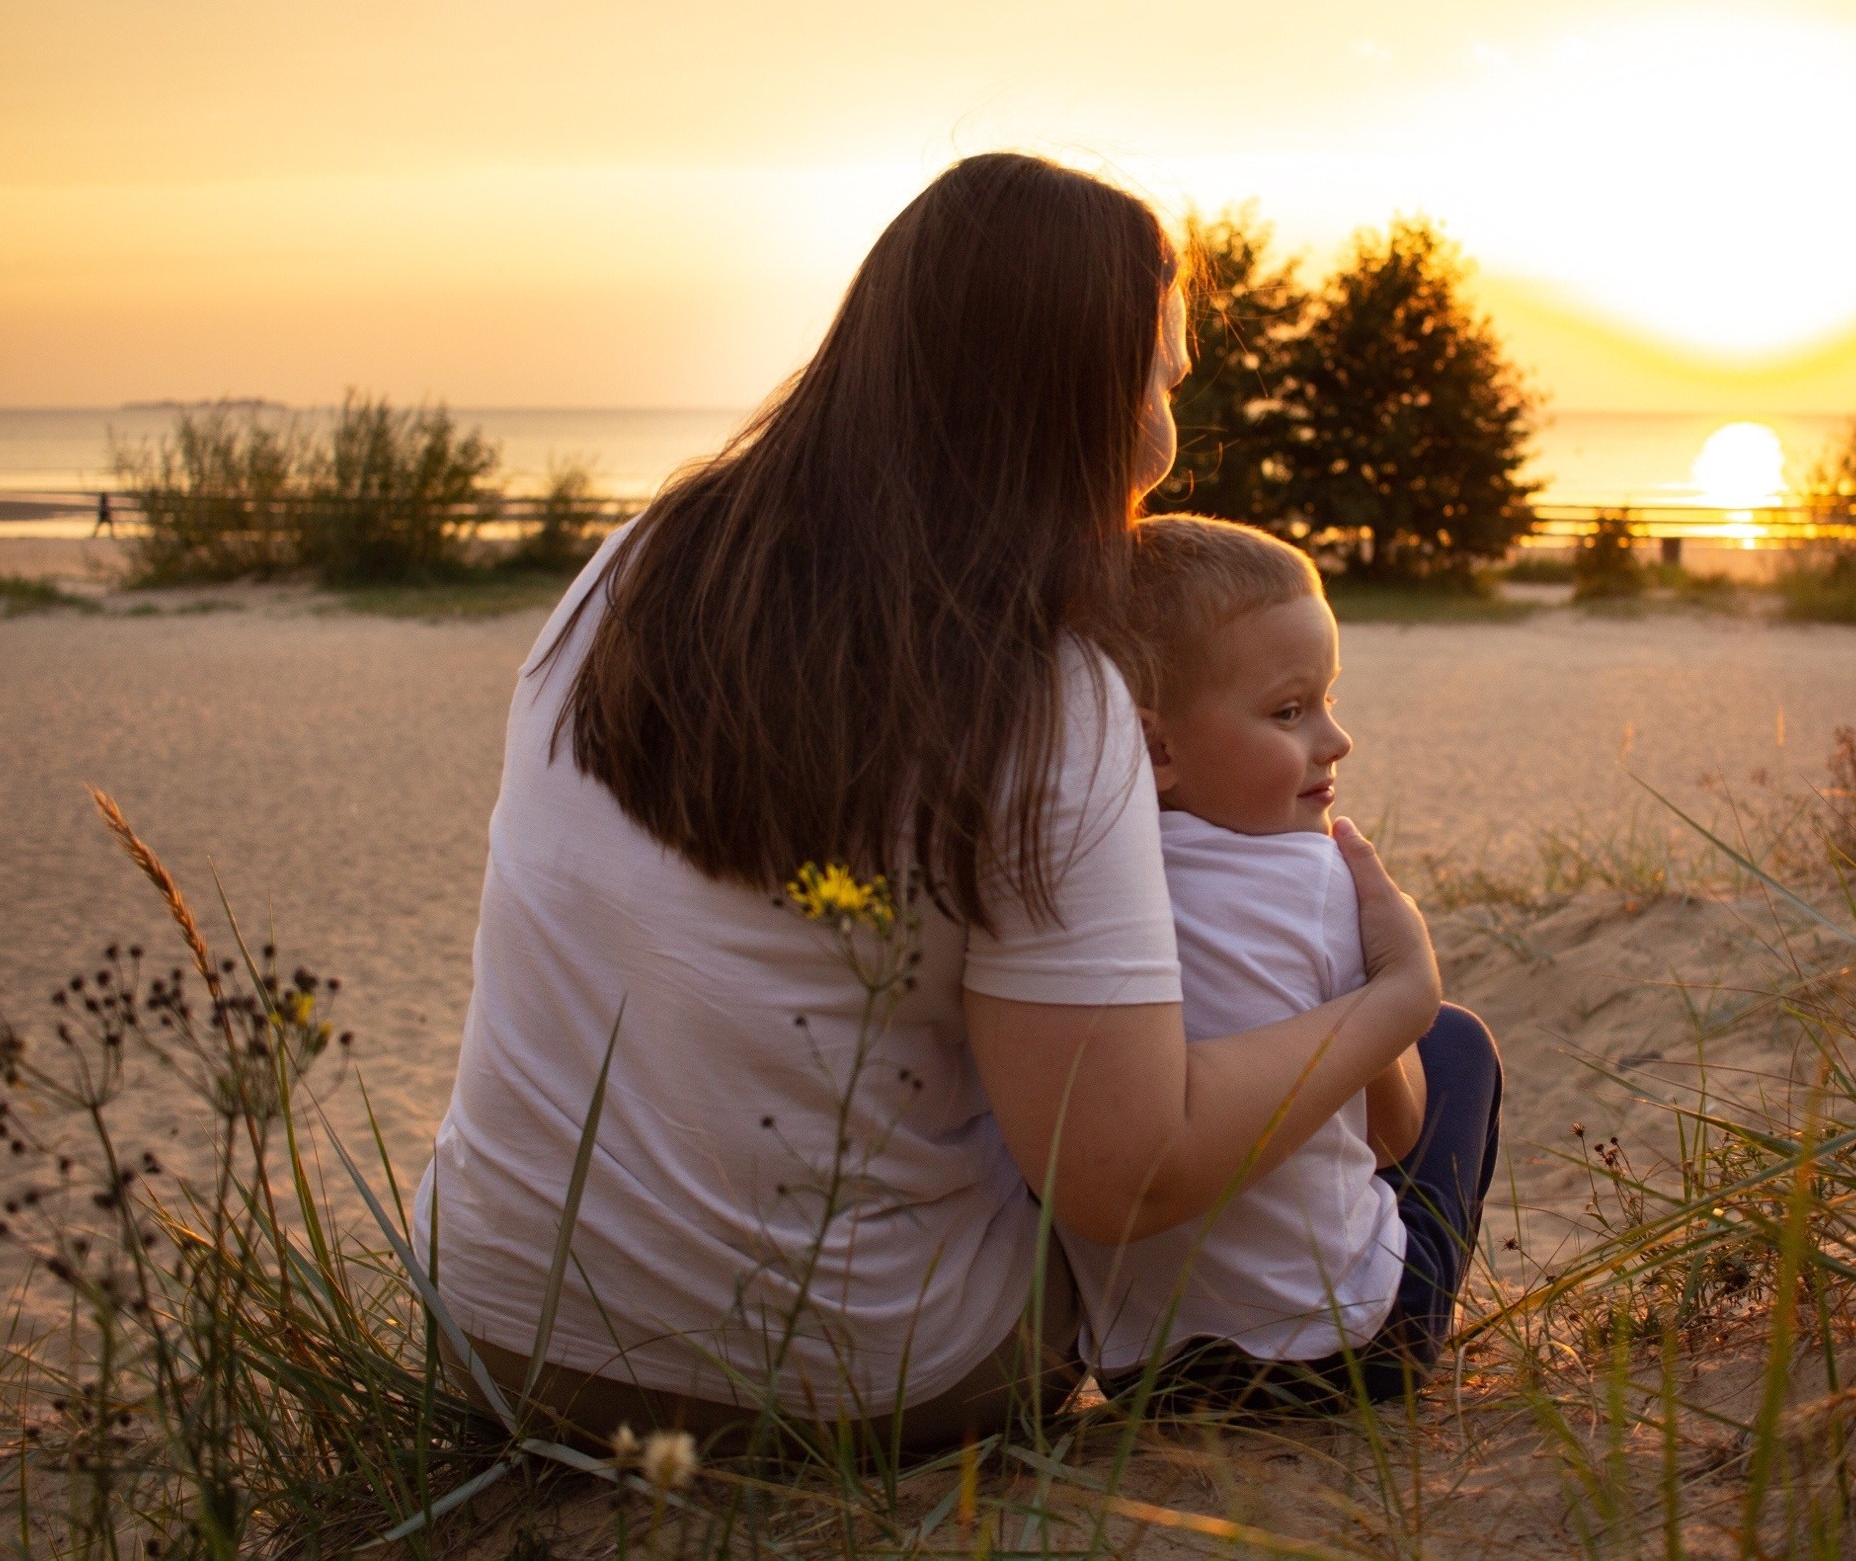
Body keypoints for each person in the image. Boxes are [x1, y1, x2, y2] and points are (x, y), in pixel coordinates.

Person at [413, 154, 1449, 1460]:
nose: (1170, 439)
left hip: (499, 1333)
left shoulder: (645, 562)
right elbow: (1123, 1176)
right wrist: (1388, 1005)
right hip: (851, 1379)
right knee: (1442, 1066)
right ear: (1082, 400)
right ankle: (1336, 1365)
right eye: (1164, 384)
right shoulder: (1041, 687)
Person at [1066, 516, 1500, 1411]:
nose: (1335, 740)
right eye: (1290, 711)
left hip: (1142, 1371)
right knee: (1457, 1043)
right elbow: (1396, 1136)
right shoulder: (1316, 881)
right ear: (1157, 749)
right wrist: (1394, 994)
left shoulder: (1083, 885)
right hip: (1348, 1350)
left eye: (1329, 700)